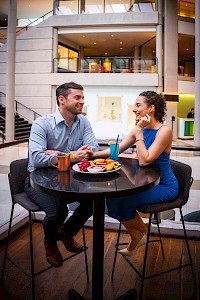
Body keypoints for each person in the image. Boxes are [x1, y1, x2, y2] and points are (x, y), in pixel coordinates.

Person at [90, 91, 179, 256]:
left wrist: (139, 133)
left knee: (123, 200)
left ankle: (140, 235)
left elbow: (145, 160)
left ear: (151, 108)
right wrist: (92, 154)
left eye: (138, 105)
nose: (134, 109)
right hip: (143, 183)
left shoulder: (163, 131)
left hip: (163, 185)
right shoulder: (138, 128)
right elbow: (116, 150)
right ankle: (140, 233)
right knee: (112, 199)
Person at [25, 82, 99, 267]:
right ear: (61, 99)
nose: (82, 101)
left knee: (94, 201)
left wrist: (55, 153)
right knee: (59, 210)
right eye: (77, 97)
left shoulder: (84, 122)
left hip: (68, 180)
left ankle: (66, 233)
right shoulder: (42, 124)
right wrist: (70, 156)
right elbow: (36, 159)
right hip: (39, 182)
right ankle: (50, 242)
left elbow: (93, 149)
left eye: (82, 97)